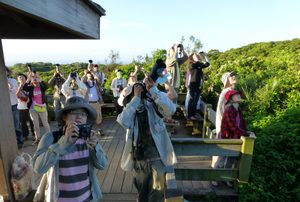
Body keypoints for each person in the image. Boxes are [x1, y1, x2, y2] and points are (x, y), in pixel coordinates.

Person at [117, 60, 177, 202]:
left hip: (157, 156)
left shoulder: (154, 100)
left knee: (156, 194)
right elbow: (122, 121)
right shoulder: (132, 108)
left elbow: (171, 110)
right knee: (142, 193)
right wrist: (136, 99)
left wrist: (153, 91)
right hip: (139, 158)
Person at [32, 96, 108, 202]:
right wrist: (63, 142)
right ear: (64, 117)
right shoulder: (50, 138)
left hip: (86, 197)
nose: (79, 117)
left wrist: (96, 147)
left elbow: (102, 165)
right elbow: (38, 168)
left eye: (83, 114)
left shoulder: (89, 138)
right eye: (74, 113)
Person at [212, 90, 256, 187]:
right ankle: (214, 178)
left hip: (235, 138)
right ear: (231, 98)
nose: (239, 96)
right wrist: (247, 134)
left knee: (231, 160)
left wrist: (247, 132)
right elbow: (232, 127)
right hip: (227, 138)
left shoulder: (237, 109)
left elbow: (241, 124)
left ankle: (225, 179)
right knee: (222, 160)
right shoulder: (229, 109)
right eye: (236, 95)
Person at [211, 71, 238, 171]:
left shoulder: (231, 91)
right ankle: (214, 177)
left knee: (226, 152)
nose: (234, 77)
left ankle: (222, 177)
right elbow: (223, 111)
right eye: (231, 76)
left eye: (234, 75)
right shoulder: (226, 92)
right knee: (221, 152)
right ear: (226, 80)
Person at [23, 70, 51, 145]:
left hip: (42, 108)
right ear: (32, 81)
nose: (35, 81)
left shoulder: (42, 87)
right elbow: (24, 88)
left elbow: (46, 86)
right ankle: (37, 138)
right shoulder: (30, 88)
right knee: (35, 125)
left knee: (45, 123)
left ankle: (50, 138)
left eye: (37, 79)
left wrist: (39, 79)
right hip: (32, 109)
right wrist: (28, 78)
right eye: (34, 79)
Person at [187, 52, 210, 120]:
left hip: (199, 85)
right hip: (193, 85)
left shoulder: (199, 64)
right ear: (192, 58)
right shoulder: (191, 65)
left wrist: (205, 55)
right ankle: (190, 115)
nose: (197, 56)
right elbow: (195, 64)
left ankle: (193, 114)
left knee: (196, 100)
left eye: (197, 56)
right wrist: (197, 59)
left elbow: (208, 63)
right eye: (195, 56)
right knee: (192, 100)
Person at [82, 71, 104, 135]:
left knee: (99, 116)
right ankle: (88, 131)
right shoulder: (84, 84)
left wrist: (94, 74)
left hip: (96, 103)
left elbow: (100, 83)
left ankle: (100, 130)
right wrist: (85, 74)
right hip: (88, 103)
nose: (89, 77)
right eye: (88, 76)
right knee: (88, 117)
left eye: (90, 76)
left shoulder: (96, 83)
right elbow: (82, 81)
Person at [6, 67, 23, 148]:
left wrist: (8, 82)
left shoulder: (13, 81)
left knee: (16, 124)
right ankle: (10, 142)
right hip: (3, 107)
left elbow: (14, 92)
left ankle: (20, 141)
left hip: (13, 105)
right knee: (6, 126)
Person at [16, 73, 35, 141]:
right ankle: (25, 135)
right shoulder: (17, 86)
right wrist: (20, 87)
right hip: (20, 108)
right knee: (23, 123)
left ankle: (34, 134)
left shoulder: (29, 86)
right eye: (19, 77)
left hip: (29, 107)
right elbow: (17, 95)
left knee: (31, 121)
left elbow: (32, 95)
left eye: (23, 77)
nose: (21, 78)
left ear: (25, 79)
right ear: (18, 80)